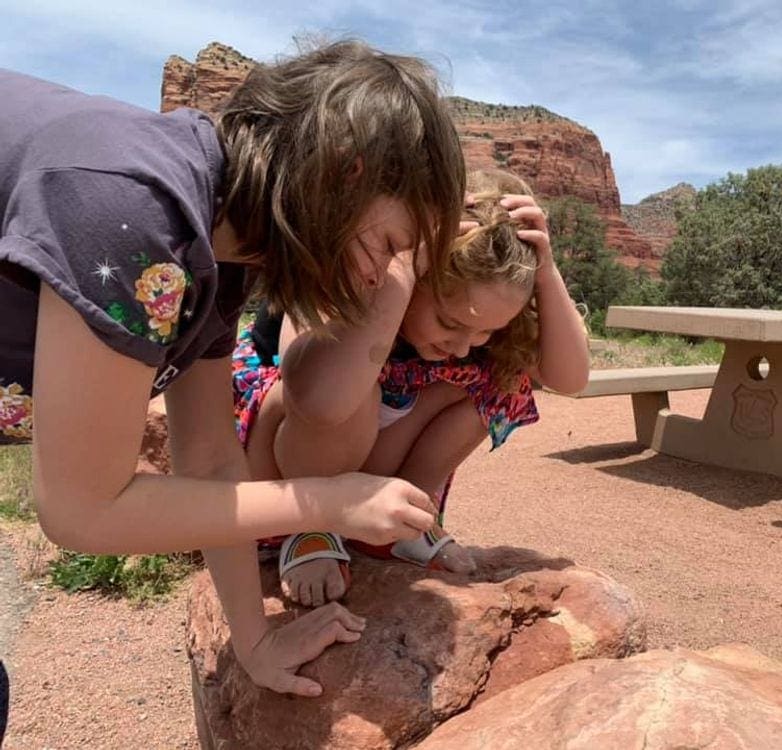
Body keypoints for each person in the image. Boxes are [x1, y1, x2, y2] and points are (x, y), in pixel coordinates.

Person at [0, 38, 466, 697]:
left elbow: (212, 457)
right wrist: (328, 499)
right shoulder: (132, 205)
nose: (375, 280)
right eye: (389, 245)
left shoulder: (213, 254)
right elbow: (81, 510)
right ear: (346, 173)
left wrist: (255, 641)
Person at [232, 169, 590, 606]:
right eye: (450, 322)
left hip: (363, 466)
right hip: (281, 472)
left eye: (483, 333)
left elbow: (571, 380)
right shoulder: (348, 278)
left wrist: (546, 273)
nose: (461, 347)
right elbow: (317, 402)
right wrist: (402, 263)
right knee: (352, 379)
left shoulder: (465, 340)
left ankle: (401, 521)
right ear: (417, 274)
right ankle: (310, 528)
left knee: (500, 380)